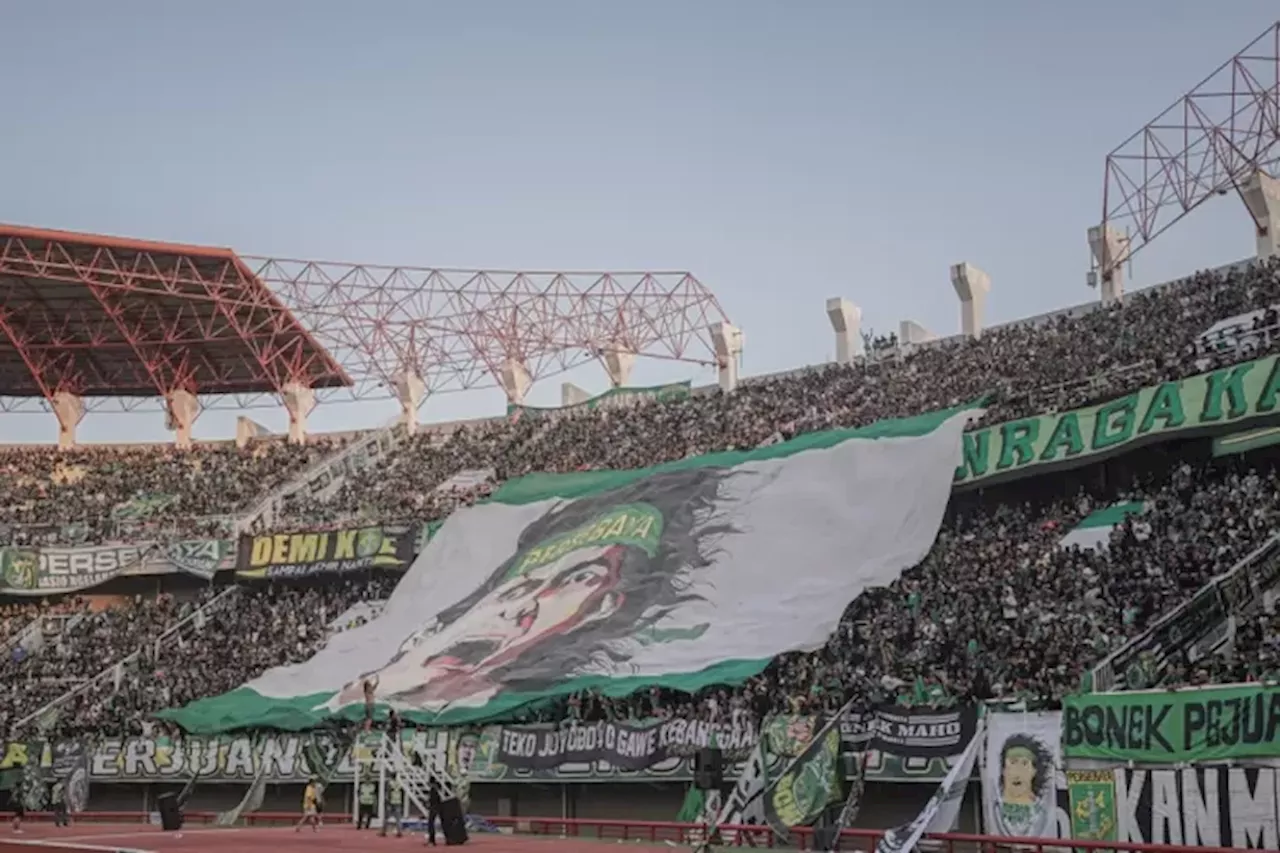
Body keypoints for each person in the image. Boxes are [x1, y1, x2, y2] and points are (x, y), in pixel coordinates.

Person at [379, 774, 404, 838]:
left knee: (386, 817)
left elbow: (389, 792)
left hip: (391, 802)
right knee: (398, 818)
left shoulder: (390, 783)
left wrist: (387, 801)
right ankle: (399, 832)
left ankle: (383, 831)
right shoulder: (399, 783)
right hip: (398, 801)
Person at [425, 773, 442, 847]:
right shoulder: (436, 789)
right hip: (436, 808)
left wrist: (428, 803)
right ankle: (432, 840)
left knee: (430, 825)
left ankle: (431, 841)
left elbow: (432, 800)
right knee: (431, 824)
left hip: (433, 808)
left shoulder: (433, 790)